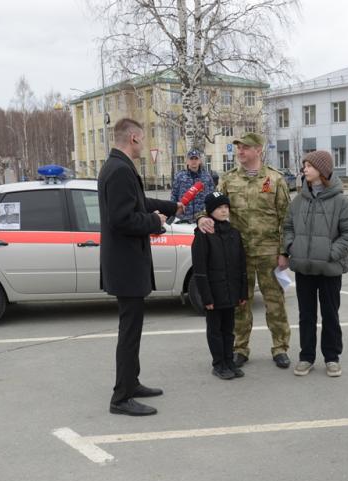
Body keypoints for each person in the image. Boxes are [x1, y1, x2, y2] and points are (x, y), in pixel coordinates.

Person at [98, 117, 183, 416]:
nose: (144, 144)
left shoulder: (117, 166)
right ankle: (121, 398)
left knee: (132, 329)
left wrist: (170, 207)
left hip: (126, 263)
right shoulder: (119, 170)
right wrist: (155, 222)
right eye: (143, 139)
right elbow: (121, 219)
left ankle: (131, 383)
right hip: (126, 265)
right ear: (133, 137)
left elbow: (137, 201)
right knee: (129, 331)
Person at [197, 132, 292, 370]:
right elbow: (211, 204)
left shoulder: (275, 179)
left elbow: (286, 218)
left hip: (269, 252)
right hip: (237, 254)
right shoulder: (229, 180)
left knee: (275, 303)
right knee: (240, 303)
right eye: (238, 148)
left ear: (258, 150)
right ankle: (240, 348)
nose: (240, 152)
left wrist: (285, 252)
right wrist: (201, 219)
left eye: (245, 148)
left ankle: (280, 348)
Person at [283, 150, 348, 377]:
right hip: (304, 269)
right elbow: (287, 228)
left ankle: (332, 357)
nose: (304, 169)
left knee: (330, 314)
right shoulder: (298, 201)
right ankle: (306, 357)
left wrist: (329, 253)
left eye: (309, 165)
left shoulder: (342, 202)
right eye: (304, 165)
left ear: (322, 170)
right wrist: (291, 248)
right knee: (306, 315)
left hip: (329, 269)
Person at [191, 191, 249, 380]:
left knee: (228, 329)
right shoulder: (203, 235)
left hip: (231, 292)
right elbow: (200, 270)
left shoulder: (233, 233)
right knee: (215, 330)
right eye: (219, 208)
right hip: (214, 294)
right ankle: (219, 364)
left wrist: (242, 293)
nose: (224, 211)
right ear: (210, 211)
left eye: (226, 207)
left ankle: (229, 360)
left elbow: (241, 266)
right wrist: (206, 297)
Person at [171, 149, 215, 222]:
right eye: (191, 158)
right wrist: (174, 210)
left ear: (200, 161)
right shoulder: (179, 176)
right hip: (183, 218)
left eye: (196, 158)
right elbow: (174, 196)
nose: (194, 161)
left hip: (202, 218)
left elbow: (212, 196)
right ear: (187, 161)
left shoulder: (207, 177)